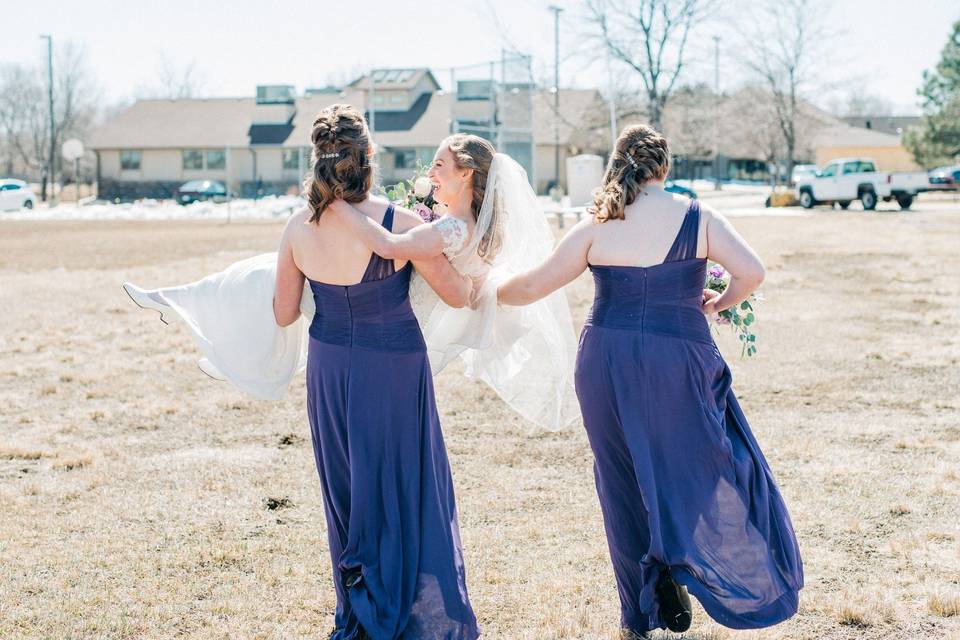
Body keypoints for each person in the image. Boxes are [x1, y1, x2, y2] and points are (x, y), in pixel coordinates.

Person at [497, 124, 803, 638]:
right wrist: (716, 302)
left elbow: (532, 286)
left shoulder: (595, 227)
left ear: (618, 166)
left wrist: (479, 293)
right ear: (666, 168)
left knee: (620, 480)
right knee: (698, 463)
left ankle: (640, 611)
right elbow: (751, 272)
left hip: (606, 362)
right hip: (678, 358)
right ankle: (679, 559)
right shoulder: (699, 217)